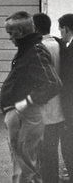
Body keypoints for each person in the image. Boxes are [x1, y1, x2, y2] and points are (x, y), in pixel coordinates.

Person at [0, 11, 62, 183]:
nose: (9, 38)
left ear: (20, 32)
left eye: (10, 33)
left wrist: (26, 102)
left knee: (26, 167)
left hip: (26, 115)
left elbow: (53, 83)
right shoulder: (26, 50)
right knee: (22, 164)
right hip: (20, 114)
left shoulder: (35, 51)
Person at [33, 13, 65, 183]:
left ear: (35, 28)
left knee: (43, 156)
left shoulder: (38, 48)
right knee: (51, 155)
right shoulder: (59, 45)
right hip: (60, 110)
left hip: (43, 112)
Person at [58, 14, 73, 182]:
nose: (61, 33)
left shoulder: (70, 51)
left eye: (61, 30)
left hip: (70, 106)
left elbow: (67, 82)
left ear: (66, 28)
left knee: (68, 144)